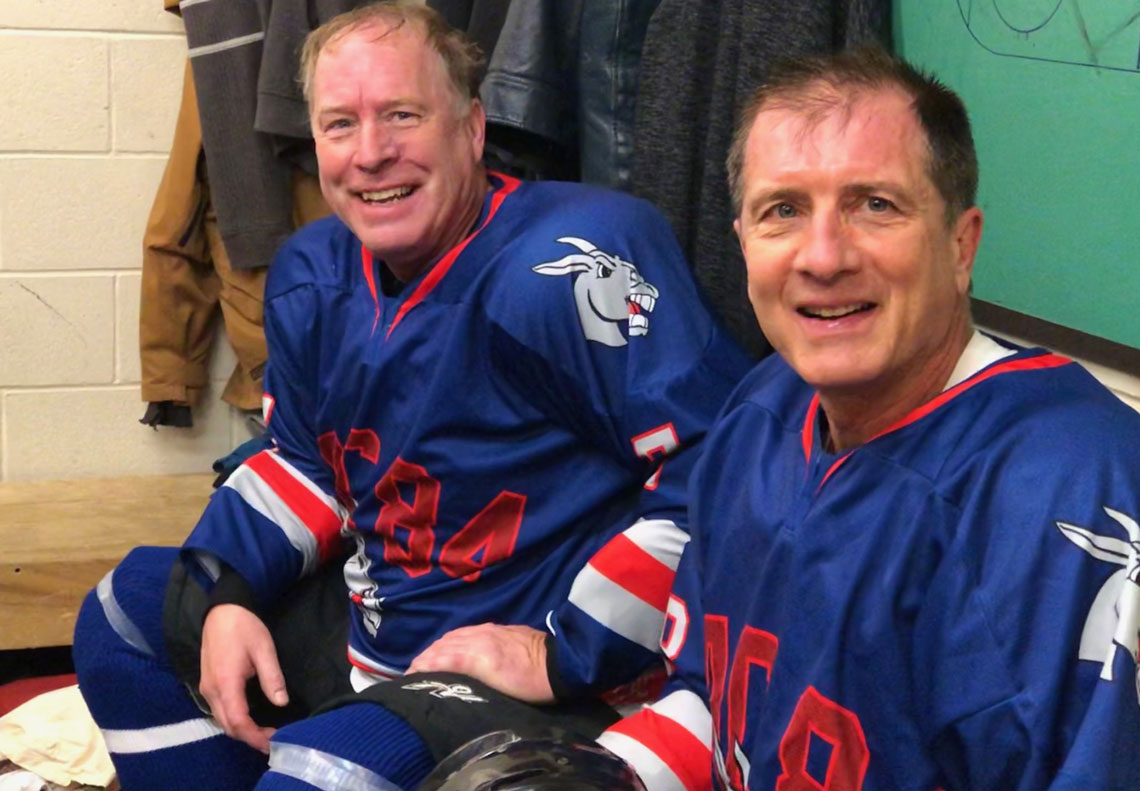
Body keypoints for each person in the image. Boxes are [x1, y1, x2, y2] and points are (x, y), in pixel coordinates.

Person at [72, 3, 751, 790]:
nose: (371, 154)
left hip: (532, 670)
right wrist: (231, 588)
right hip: (384, 624)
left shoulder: (576, 261)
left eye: (402, 115)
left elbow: (723, 474)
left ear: (471, 126)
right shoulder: (311, 272)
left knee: (322, 773)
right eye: (339, 125)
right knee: (124, 612)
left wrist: (564, 653)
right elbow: (305, 461)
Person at [579, 48, 1140, 790]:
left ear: (961, 243)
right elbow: (721, 708)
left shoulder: (1071, 493)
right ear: (745, 243)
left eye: (875, 204)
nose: (824, 255)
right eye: (783, 210)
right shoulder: (758, 412)